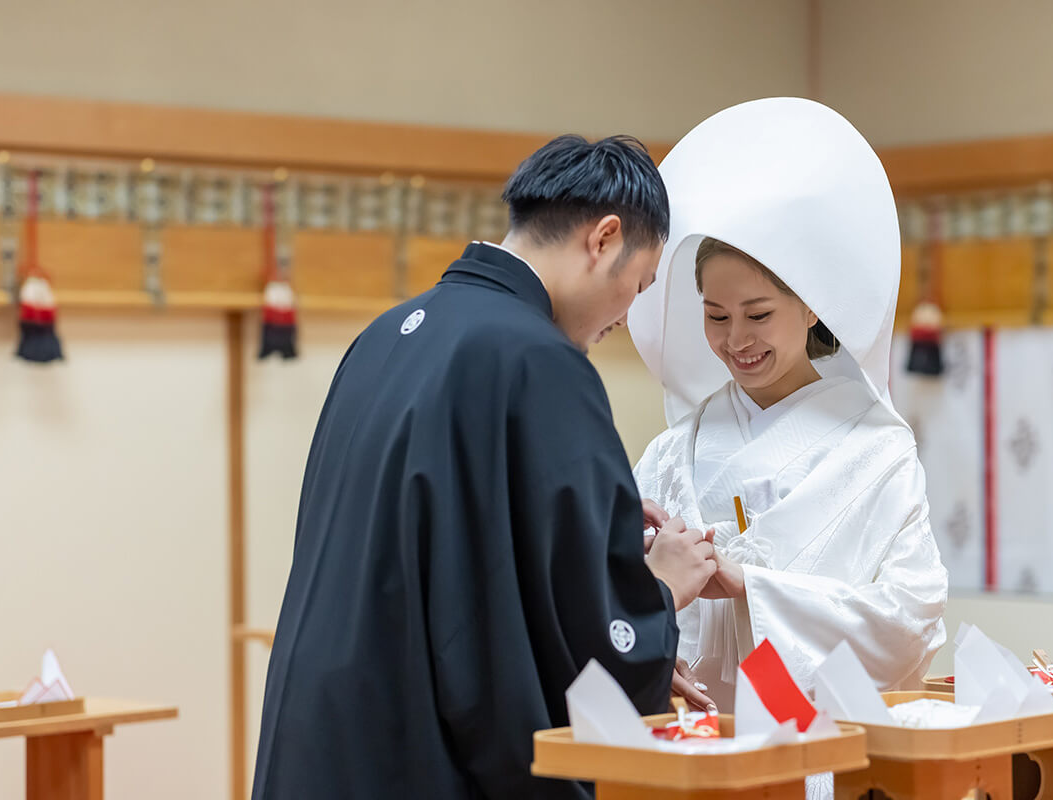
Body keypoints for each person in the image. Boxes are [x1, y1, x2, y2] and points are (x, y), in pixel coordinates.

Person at [252, 135, 718, 799]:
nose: (627, 313)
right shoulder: (540, 361)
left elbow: (463, 540)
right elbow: (582, 618)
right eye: (639, 285)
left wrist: (595, 522)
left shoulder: (386, 333)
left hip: (323, 732)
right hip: (418, 753)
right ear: (605, 238)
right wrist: (658, 592)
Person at [629, 98, 949, 714]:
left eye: (759, 315)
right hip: (684, 737)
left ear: (810, 307)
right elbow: (605, 594)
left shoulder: (876, 449)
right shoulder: (673, 453)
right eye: (716, 316)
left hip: (814, 740)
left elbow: (912, 618)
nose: (736, 341)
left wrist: (753, 587)